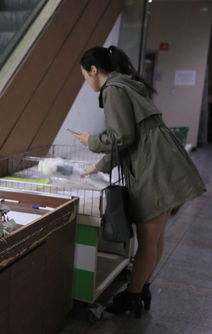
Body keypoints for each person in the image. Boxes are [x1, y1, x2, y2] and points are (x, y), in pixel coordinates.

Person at [73, 46, 206, 318]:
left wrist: (92, 141)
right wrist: (98, 167)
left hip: (153, 167)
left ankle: (132, 297)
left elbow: (121, 138)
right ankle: (141, 287)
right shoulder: (126, 83)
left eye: (84, 76)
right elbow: (129, 137)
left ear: (94, 70)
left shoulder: (112, 89)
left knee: (148, 239)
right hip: (162, 161)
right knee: (154, 238)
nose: (86, 81)